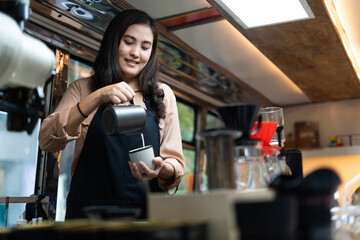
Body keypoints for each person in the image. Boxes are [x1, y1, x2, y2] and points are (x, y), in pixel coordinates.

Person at [38, 9, 185, 219]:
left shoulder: (162, 95)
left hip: (143, 217)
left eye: (145, 47)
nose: (136, 53)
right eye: (129, 42)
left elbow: (176, 164)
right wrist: (97, 97)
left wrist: (161, 169)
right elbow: (46, 141)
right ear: (113, 42)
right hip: (88, 216)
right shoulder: (82, 89)